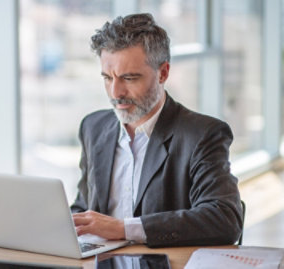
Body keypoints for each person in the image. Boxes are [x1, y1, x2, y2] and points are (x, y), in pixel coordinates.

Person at [70, 13, 243, 247]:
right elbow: (85, 208)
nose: (115, 92)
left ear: (163, 73)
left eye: (129, 78)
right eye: (107, 78)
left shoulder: (203, 134)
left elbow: (224, 219)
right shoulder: (93, 127)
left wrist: (123, 229)